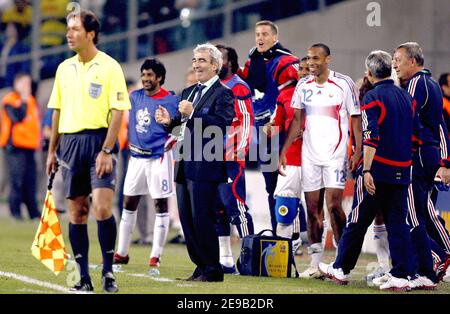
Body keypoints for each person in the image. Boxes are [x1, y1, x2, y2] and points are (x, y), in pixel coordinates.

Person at [45, 10, 131, 293]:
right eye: (68, 29)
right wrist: (52, 151)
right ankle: (83, 277)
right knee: (77, 213)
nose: (69, 34)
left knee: (102, 207)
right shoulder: (63, 68)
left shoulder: (110, 67)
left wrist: (107, 149)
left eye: (75, 29)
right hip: (69, 144)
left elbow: (118, 111)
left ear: (91, 33)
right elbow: (56, 111)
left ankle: (108, 271)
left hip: (100, 143)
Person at [318, 51, 418, 291]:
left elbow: (371, 137)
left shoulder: (372, 97)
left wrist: (368, 169)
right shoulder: (406, 97)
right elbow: (413, 135)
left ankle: (340, 268)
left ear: (370, 73)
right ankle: (402, 274)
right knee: (398, 222)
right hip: (403, 169)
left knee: (357, 220)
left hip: (378, 170)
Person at [281, 43, 362, 279]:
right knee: (313, 209)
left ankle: (341, 261)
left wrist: (356, 150)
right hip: (310, 155)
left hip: (335, 155)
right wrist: (284, 150)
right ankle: (315, 264)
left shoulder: (343, 84)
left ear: (328, 59)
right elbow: (297, 120)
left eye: (316, 58)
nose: (312, 62)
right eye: (309, 58)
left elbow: (355, 119)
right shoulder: (303, 85)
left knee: (334, 206)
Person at [155, 43, 234, 282]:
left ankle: (213, 269)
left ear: (215, 66)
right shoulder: (188, 92)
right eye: (195, 60)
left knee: (203, 219)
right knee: (188, 220)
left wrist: (193, 114)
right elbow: (181, 129)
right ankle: (201, 265)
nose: (196, 64)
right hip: (184, 164)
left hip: (206, 166)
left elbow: (221, 126)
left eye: (202, 60)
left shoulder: (224, 93)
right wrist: (168, 122)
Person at [393, 42, 450, 287]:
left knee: (412, 216)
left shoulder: (416, 83)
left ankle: (429, 267)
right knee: (424, 210)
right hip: (430, 157)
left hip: (416, 158)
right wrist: (444, 161)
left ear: (413, 62)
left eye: (398, 59)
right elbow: (440, 126)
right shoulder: (433, 85)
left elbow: (407, 121)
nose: (395, 64)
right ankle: (439, 254)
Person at [113, 58, 178, 268]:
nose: (145, 79)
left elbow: (179, 130)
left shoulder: (171, 100)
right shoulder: (134, 96)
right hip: (136, 158)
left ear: (159, 77)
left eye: (150, 75)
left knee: (160, 204)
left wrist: (169, 130)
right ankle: (121, 253)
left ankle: (155, 256)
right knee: (128, 203)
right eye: (143, 75)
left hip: (158, 157)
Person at [238, 20, 299, 231]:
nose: (260, 38)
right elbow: (249, 84)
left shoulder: (286, 61)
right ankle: (278, 233)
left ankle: (294, 235)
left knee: (284, 186)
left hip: (279, 129)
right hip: (262, 130)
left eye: (264, 34)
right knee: (270, 186)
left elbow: (295, 93)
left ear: (275, 37)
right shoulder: (253, 59)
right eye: (257, 34)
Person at [215, 44, 254, 273]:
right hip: (212, 156)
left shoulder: (238, 87)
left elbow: (247, 119)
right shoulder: (211, 87)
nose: (215, 62)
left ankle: (250, 257)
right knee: (217, 208)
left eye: (219, 59)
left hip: (231, 155)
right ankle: (226, 260)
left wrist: (241, 148)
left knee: (235, 205)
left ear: (229, 63)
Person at [0, 72, 41, 220]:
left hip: (30, 146)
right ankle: (15, 212)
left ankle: (33, 212)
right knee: (16, 180)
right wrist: (23, 100)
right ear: (16, 84)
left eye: (28, 84)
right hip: (14, 147)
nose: (26, 87)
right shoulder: (10, 100)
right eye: (23, 83)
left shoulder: (31, 100)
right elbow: (18, 117)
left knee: (31, 180)